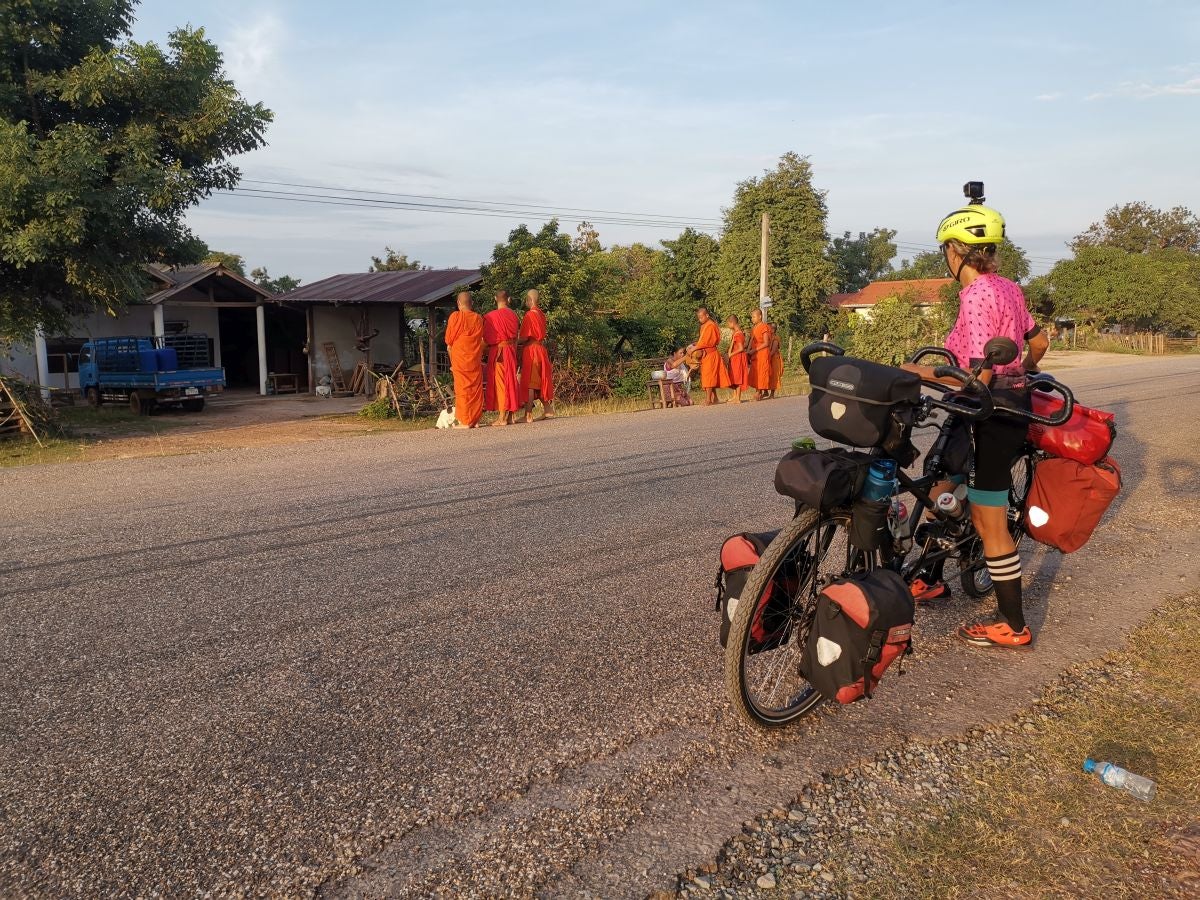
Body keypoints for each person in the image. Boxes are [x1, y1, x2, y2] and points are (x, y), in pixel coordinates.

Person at [901, 200, 1049, 650]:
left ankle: (1012, 623)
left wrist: (918, 373)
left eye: (947, 248)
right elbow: (1038, 343)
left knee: (988, 519)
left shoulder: (978, 293)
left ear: (956, 250)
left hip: (991, 412)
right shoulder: (1009, 287)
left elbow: (979, 372)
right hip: (996, 404)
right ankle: (927, 576)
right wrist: (1019, 373)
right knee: (940, 479)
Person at [444, 291, 485, 428]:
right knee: (475, 389)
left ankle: (466, 421)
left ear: (458, 303)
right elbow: (480, 340)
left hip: (460, 359)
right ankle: (475, 420)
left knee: (463, 390)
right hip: (474, 359)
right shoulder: (478, 318)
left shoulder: (455, 317)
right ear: (471, 303)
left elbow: (449, 340)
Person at [483, 290, 520, 426]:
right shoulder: (514, 315)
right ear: (508, 299)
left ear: (495, 299)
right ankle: (511, 416)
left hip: (498, 352)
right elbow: (516, 337)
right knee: (511, 380)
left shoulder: (490, 317)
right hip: (510, 350)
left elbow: (486, 339)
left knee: (501, 383)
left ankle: (502, 417)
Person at [518, 289, 554, 422]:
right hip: (540, 349)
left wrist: (514, 342)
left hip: (532, 350)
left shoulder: (529, 315)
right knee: (538, 380)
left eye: (526, 300)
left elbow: (525, 336)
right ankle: (548, 409)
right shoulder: (541, 314)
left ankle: (528, 414)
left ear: (530, 300)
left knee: (530, 383)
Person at [687, 306, 730, 405]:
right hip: (705, 354)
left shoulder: (711, 325)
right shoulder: (704, 326)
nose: (700, 319)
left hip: (711, 353)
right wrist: (694, 344)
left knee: (709, 376)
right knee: (708, 376)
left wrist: (694, 348)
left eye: (701, 317)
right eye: (698, 317)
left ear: (707, 315)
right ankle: (714, 398)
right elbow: (702, 341)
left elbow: (707, 342)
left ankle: (708, 399)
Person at [747, 308, 773, 401]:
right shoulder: (754, 328)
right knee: (755, 372)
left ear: (760, 316)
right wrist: (748, 351)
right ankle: (760, 391)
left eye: (754, 317)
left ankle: (758, 392)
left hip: (762, 352)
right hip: (755, 353)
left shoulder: (764, 327)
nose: (752, 319)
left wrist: (754, 350)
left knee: (761, 372)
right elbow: (751, 340)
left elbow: (766, 343)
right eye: (752, 317)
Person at [725, 315, 750, 403]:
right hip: (735, 357)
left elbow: (740, 348)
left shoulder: (738, 334)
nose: (728, 326)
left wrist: (731, 354)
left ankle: (738, 398)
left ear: (732, 323)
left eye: (728, 323)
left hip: (738, 357)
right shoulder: (736, 333)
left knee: (738, 376)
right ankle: (735, 396)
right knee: (734, 376)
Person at [768, 322, 783, 398]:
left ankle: (772, 394)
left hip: (774, 359)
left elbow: (773, 351)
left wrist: (766, 357)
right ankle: (765, 392)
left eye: (769, 328)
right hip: (769, 358)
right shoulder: (769, 337)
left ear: (773, 329)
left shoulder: (776, 338)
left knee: (774, 376)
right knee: (767, 375)